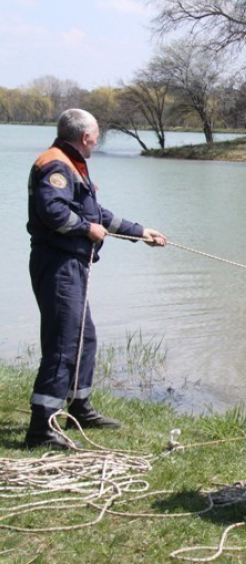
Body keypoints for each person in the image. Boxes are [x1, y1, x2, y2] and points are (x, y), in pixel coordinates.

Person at [25, 108, 167, 450]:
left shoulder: (73, 163)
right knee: (62, 343)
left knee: (83, 338)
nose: (98, 138)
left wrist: (140, 232)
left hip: (71, 264)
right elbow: (54, 213)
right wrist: (86, 229)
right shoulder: (56, 164)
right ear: (85, 136)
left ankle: (80, 406)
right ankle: (41, 427)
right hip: (58, 264)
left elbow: (96, 213)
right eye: (97, 133)